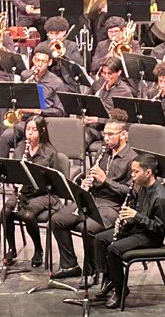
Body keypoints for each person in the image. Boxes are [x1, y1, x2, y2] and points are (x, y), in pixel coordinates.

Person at [49, 118, 136, 281]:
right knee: (57, 220)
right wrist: (87, 181)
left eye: (111, 134)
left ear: (124, 134)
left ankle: (92, 271)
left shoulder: (132, 159)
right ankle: (70, 265)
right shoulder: (103, 153)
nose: (106, 138)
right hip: (93, 199)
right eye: (105, 134)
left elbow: (131, 193)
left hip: (114, 206)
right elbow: (93, 176)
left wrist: (106, 181)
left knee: (88, 228)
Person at [92, 153, 165, 309]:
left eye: (135, 172)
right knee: (100, 238)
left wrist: (136, 216)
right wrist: (128, 218)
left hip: (151, 237)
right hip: (139, 229)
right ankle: (109, 278)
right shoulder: (142, 187)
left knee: (114, 249)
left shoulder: (161, 198)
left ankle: (121, 290)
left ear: (148, 172)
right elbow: (138, 210)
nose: (132, 176)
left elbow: (159, 229)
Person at [4, 115, 60, 267]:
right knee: (6, 211)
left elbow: (56, 182)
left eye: (34, 130)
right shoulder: (20, 149)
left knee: (27, 215)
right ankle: (11, 248)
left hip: (44, 194)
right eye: (28, 129)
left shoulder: (50, 153)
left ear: (42, 131)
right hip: (23, 192)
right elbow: (13, 172)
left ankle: (38, 249)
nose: (30, 133)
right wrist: (14, 183)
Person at [0, 43, 69, 157]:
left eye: (43, 62)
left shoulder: (56, 82)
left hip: (44, 122)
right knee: (6, 136)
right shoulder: (26, 76)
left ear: (49, 62)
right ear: (33, 59)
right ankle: (2, 170)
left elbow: (60, 111)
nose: (39, 64)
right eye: (37, 60)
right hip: (25, 121)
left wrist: (37, 111)